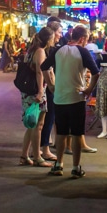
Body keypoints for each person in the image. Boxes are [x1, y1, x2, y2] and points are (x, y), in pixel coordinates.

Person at [41, 25, 100, 179]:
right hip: (77, 98)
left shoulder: (58, 50)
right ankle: (75, 167)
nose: (86, 43)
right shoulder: (82, 51)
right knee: (76, 133)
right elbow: (96, 73)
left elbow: (44, 67)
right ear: (82, 38)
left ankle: (58, 165)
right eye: (86, 40)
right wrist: (88, 90)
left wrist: (52, 86)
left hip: (59, 98)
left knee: (60, 132)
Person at [18, 26, 54, 167]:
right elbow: (40, 72)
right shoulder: (40, 51)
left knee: (32, 125)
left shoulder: (32, 50)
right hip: (36, 91)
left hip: (29, 92)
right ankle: (38, 156)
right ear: (48, 39)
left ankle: (24, 155)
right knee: (38, 125)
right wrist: (40, 91)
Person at [40, 19, 63, 161]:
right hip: (47, 88)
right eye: (59, 33)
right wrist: (51, 85)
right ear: (52, 34)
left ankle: (40, 148)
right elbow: (45, 70)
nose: (60, 35)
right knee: (48, 119)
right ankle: (44, 149)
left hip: (45, 87)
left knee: (44, 121)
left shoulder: (44, 49)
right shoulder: (48, 51)